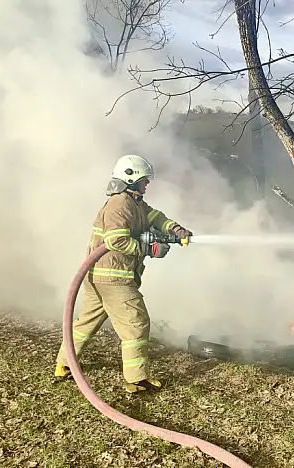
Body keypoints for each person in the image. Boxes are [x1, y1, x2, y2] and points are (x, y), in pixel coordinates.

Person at [54, 154, 193, 394]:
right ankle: (136, 378)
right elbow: (115, 240)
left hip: (100, 277)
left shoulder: (135, 203)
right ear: (130, 178)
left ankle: (64, 364)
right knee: (136, 324)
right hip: (114, 278)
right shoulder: (120, 204)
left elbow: (155, 217)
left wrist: (176, 229)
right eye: (144, 180)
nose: (147, 184)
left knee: (86, 323)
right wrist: (149, 249)